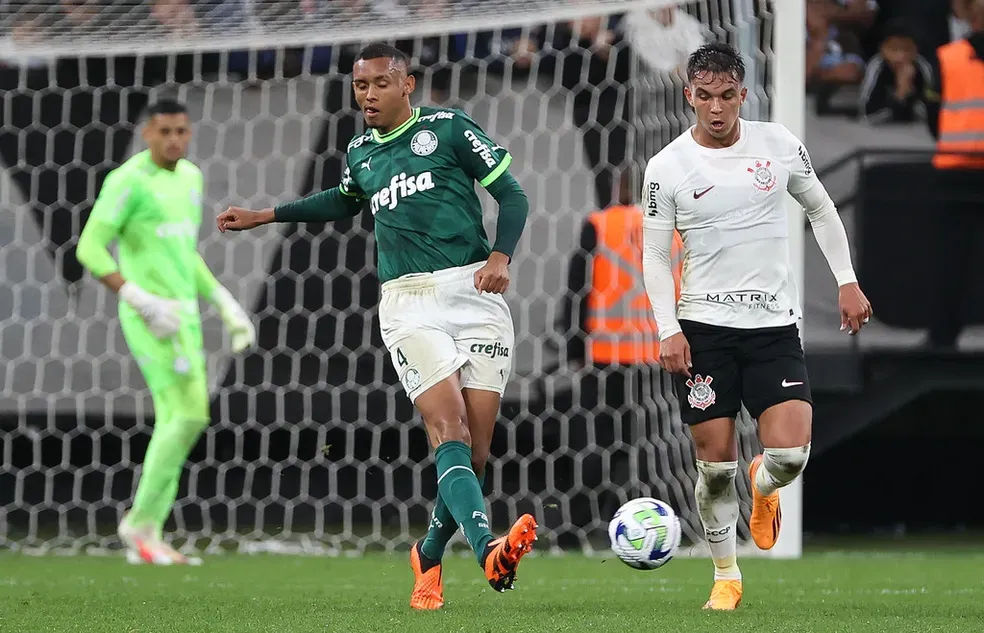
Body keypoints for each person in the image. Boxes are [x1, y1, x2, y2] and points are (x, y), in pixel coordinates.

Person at [215, 43, 535, 609]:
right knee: (450, 430)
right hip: (408, 302)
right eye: (359, 85)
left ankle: (429, 554)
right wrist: (267, 214)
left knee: (475, 456)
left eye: (379, 84)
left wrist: (500, 257)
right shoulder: (360, 150)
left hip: (475, 291)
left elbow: (512, 196)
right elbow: (342, 201)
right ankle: (488, 547)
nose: (367, 95)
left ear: (406, 84)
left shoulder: (450, 129)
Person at [641, 42, 872, 610]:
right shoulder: (666, 167)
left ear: (744, 95)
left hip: (772, 327)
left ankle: (763, 486)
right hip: (704, 331)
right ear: (688, 95)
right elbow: (653, 254)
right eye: (705, 97)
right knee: (713, 468)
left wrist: (846, 278)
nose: (716, 109)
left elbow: (820, 207)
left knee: (790, 457)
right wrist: (667, 326)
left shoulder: (779, 145)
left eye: (727, 96)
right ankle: (726, 575)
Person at [76, 99, 257, 565]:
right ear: (147, 134)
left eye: (181, 131)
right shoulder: (128, 180)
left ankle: (146, 528)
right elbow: (90, 249)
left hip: (183, 314)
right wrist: (138, 298)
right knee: (185, 414)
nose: (174, 139)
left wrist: (224, 303)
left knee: (188, 417)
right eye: (165, 132)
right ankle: (141, 527)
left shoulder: (191, 178)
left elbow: (184, 254)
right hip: (148, 314)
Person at [923, 0, 984, 349]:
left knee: (951, 260)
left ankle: (943, 338)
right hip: (960, 172)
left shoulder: (946, 58)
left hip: (956, 170)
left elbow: (933, 115)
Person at [859, 20, 933, 124]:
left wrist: (910, 91)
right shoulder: (877, 66)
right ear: (882, 49)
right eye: (894, 49)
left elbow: (932, 111)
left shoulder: (922, 67)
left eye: (907, 49)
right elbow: (867, 114)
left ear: (916, 50)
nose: (901, 56)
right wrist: (899, 94)